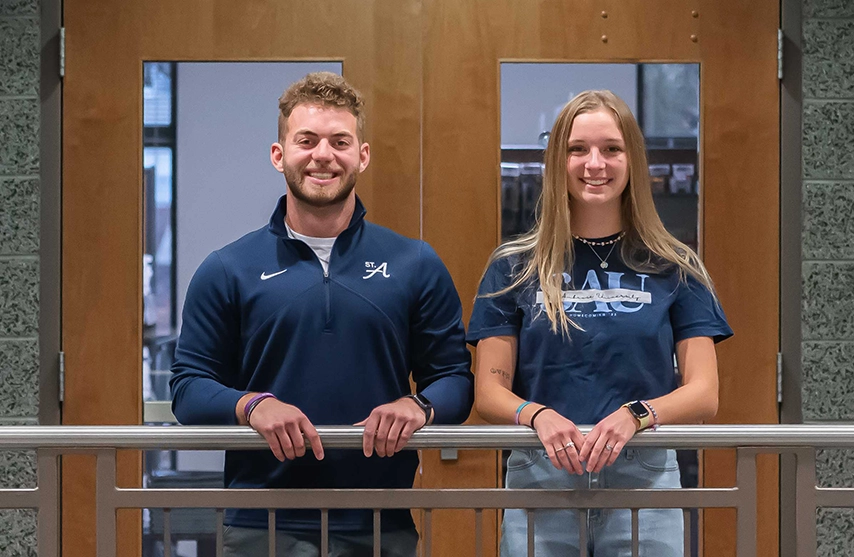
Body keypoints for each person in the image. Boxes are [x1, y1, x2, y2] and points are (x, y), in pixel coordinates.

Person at [170, 71, 473, 557]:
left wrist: (418, 407)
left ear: (362, 155)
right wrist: (253, 405)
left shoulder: (415, 263)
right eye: (306, 140)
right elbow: (187, 389)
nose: (323, 155)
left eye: (340, 141)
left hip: (378, 518)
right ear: (279, 155)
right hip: (260, 520)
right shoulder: (227, 268)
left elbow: (456, 379)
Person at [467, 90, 732, 557]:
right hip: (541, 473)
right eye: (577, 149)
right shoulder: (514, 265)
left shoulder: (674, 265)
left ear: (632, 159)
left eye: (611, 148)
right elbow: (489, 391)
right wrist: (538, 415)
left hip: (644, 478)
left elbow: (704, 392)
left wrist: (636, 415)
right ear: (557, 161)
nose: (595, 164)